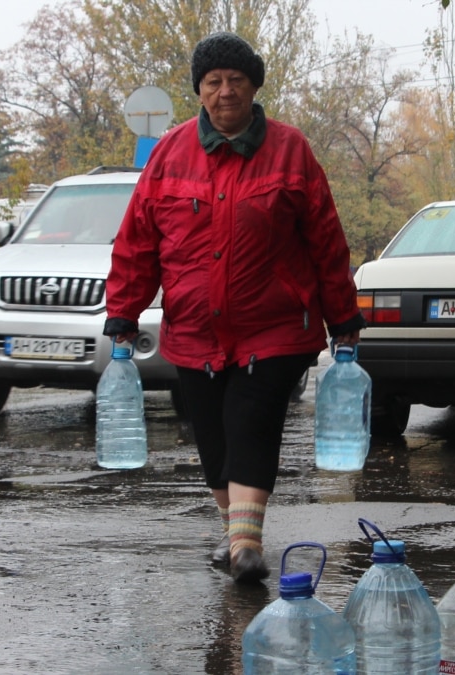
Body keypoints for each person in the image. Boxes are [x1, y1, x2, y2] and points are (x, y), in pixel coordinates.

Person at [102, 32, 364, 584]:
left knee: (251, 421)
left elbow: (325, 240)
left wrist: (342, 318)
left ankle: (246, 544)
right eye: (214, 82)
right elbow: (137, 242)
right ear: (199, 90)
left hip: (274, 328)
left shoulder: (291, 150)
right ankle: (233, 532)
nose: (225, 92)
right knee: (214, 438)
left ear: (253, 87)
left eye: (236, 81)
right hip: (195, 330)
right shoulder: (170, 154)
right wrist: (122, 313)